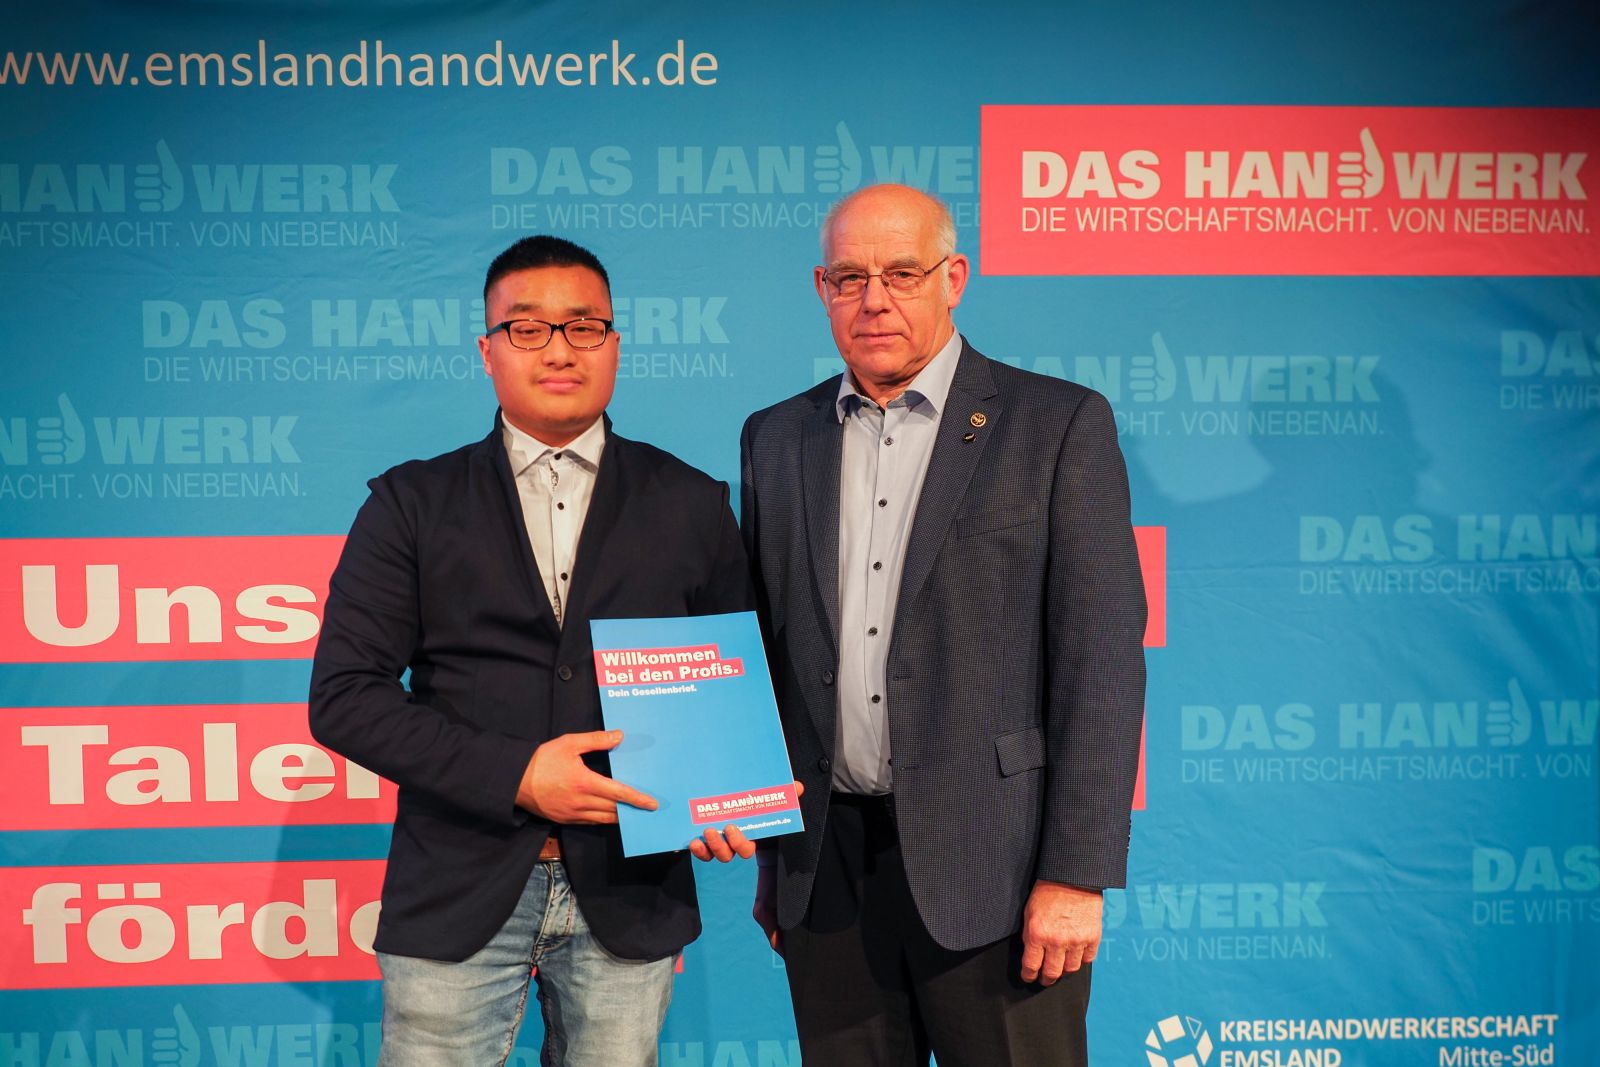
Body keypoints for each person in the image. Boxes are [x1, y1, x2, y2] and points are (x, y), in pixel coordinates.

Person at [310, 235, 758, 1066]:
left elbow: (731, 688)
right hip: (456, 883)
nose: (559, 349)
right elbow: (345, 697)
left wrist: (723, 792)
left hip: (631, 891)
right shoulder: (411, 503)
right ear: (488, 351)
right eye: (528, 328)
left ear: (615, 343)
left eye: (584, 326)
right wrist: (517, 774)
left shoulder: (693, 502)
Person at [739, 184, 1147, 1066]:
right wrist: (775, 852)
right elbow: (768, 653)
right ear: (821, 288)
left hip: (999, 873)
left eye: (901, 273)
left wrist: (1076, 873)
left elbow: (1103, 665)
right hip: (828, 877)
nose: (873, 300)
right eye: (849, 277)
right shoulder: (774, 438)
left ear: (954, 278)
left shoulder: (1057, 425)